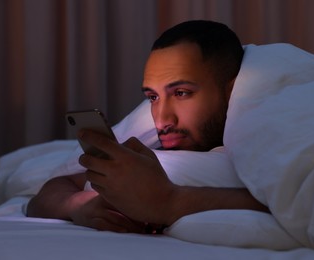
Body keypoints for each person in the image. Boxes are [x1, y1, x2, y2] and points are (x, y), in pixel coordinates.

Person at [26, 20, 269, 233]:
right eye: (153, 97)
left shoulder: (270, 144)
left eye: (181, 93)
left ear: (231, 91)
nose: (162, 119)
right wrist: (79, 205)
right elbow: (44, 196)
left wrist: (169, 202)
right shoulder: (152, 149)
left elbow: (296, 205)